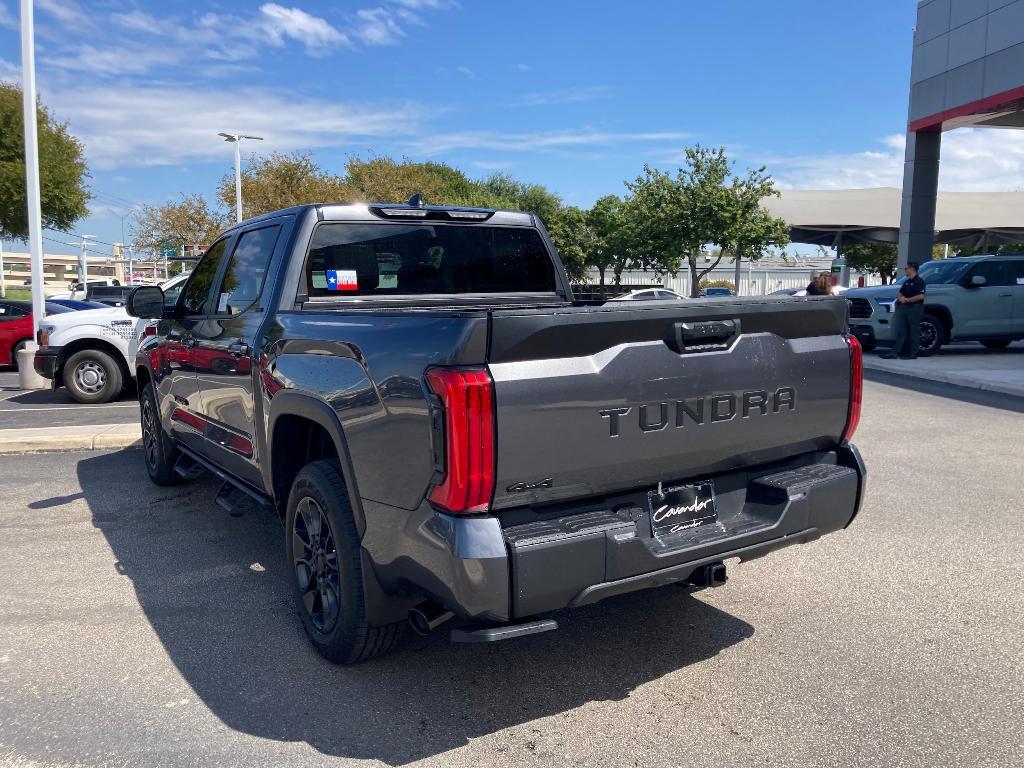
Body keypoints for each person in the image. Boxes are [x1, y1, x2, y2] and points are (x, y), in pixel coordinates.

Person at [881, 261, 926, 359]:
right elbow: (900, 292)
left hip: (914, 308)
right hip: (904, 307)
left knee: (913, 331)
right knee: (901, 330)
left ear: (912, 269)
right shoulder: (907, 281)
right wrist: (901, 298)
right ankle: (895, 352)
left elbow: (921, 296)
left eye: (907, 268)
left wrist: (907, 300)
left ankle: (913, 353)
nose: (905, 270)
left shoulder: (919, 281)